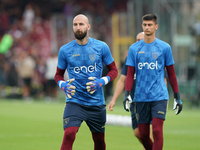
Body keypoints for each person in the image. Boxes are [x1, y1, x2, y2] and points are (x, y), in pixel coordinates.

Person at [54, 14, 118, 150]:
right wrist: (63, 85)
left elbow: (114, 71)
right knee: (69, 134)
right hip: (75, 101)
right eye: (75, 24)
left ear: (88, 27)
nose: (78, 27)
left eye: (81, 24)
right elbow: (58, 75)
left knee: (99, 140)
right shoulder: (65, 50)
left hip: (96, 103)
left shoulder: (101, 47)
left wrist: (101, 82)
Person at [123, 14, 183, 150]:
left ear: (156, 26)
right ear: (142, 26)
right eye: (144, 25)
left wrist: (177, 96)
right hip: (140, 97)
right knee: (143, 135)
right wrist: (127, 93)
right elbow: (130, 74)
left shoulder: (164, 47)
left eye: (150, 25)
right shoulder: (134, 49)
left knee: (156, 131)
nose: (147, 27)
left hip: (159, 96)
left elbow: (172, 74)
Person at [108, 32, 167, 150]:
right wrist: (114, 99)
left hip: (152, 99)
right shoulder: (131, 58)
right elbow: (122, 80)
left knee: (148, 131)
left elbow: (163, 80)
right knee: (137, 133)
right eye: (137, 40)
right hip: (135, 101)